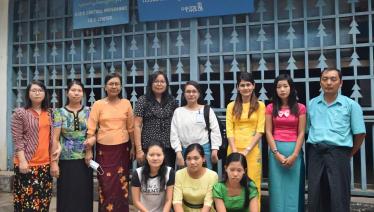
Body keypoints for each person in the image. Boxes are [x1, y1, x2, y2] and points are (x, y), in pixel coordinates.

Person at [307, 68, 366, 212]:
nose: (328, 82)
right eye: (325, 79)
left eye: (333, 79)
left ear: (341, 83)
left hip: (339, 154)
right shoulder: (312, 104)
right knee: (315, 194)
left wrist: (349, 153)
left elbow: (359, 134)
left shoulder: (351, 105)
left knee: (339, 195)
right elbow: (307, 130)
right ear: (320, 82)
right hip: (316, 154)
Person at [86, 72, 135, 212]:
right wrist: (89, 151)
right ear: (105, 87)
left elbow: (131, 128)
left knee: (122, 184)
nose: (114, 86)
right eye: (111, 84)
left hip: (122, 151)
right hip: (103, 152)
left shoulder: (126, 104)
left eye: (117, 84)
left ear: (120, 87)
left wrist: (133, 147)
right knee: (105, 184)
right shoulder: (98, 104)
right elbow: (91, 129)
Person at [11, 80, 57, 211]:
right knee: (28, 203)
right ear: (28, 94)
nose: (37, 93)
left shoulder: (50, 113)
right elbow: (17, 139)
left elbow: (53, 137)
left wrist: (54, 160)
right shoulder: (20, 113)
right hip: (28, 164)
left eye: (40, 90)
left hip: (45, 165)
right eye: (34, 90)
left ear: (45, 93)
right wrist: (22, 161)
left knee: (44, 201)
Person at [50, 80, 93, 212]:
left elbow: (92, 134)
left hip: (84, 159)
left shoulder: (89, 111)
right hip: (65, 160)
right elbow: (55, 138)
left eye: (79, 91)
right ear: (67, 92)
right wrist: (54, 163)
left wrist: (89, 151)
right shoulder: (59, 112)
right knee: (66, 194)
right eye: (73, 90)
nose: (76, 93)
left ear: (83, 94)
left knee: (83, 194)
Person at [265, 74, 306, 212]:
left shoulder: (300, 108)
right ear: (275, 90)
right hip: (276, 151)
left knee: (294, 188)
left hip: (294, 150)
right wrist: (276, 153)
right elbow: (268, 132)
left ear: (291, 88)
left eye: (285, 86)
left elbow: (301, 132)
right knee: (277, 188)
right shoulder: (270, 108)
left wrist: (295, 155)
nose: (282, 89)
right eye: (279, 87)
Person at [226, 72, 265, 208]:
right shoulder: (231, 106)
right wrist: (235, 151)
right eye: (242, 85)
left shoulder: (260, 105)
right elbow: (229, 130)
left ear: (253, 86)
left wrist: (248, 149)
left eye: (248, 84)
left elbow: (260, 130)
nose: (245, 88)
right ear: (237, 87)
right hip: (233, 148)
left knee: (253, 185)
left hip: (252, 151)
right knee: (234, 184)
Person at [170, 81, 221, 169]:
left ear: (198, 94)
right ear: (184, 94)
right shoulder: (178, 112)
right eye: (188, 91)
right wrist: (178, 152)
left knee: (205, 179)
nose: (191, 94)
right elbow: (174, 134)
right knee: (187, 180)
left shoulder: (207, 110)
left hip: (204, 150)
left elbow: (215, 130)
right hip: (185, 151)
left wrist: (215, 150)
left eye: (194, 91)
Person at [134, 71, 178, 167]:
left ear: (166, 84)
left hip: (168, 148)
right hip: (148, 147)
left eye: (162, 81)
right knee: (146, 177)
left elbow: (177, 123)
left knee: (166, 176)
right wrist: (139, 150)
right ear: (150, 84)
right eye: (156, 81)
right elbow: (137, 126)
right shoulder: (143, 100)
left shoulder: (172, 100)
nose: (159, 84)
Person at [173, 143, 218, 212]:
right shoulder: (179, 174)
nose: (192, 162)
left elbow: (208, 203)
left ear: (203, 159)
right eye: (188, 158)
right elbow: (177, 201)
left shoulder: (212, 176)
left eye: (196, 158)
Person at [131, 141, 175, 212]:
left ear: (164, 156)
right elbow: (136, 201)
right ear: (146, 156)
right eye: (151, 155)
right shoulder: (138, 173)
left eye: (158, 155)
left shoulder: (169, 172)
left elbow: (168, 200)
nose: (155, 158)